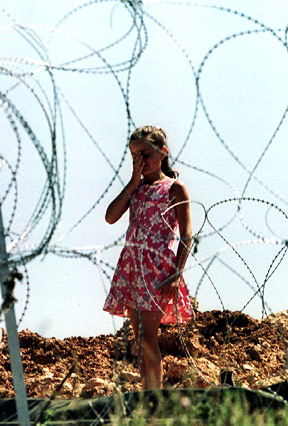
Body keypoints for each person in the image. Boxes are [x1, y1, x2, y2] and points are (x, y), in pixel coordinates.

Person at [103, 125, 193, 390]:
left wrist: (176, 273)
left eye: (145, 153)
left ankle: (154, 396)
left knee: (148, 337)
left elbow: (187, 235)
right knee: (139, 337)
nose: (140, 160)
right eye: (134, 156)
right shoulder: (138, 189)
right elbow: (110, 217)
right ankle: (148, 393)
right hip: (132, 267)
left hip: (157, 269)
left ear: (162, 152)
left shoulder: (174, 188)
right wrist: (132, 183)